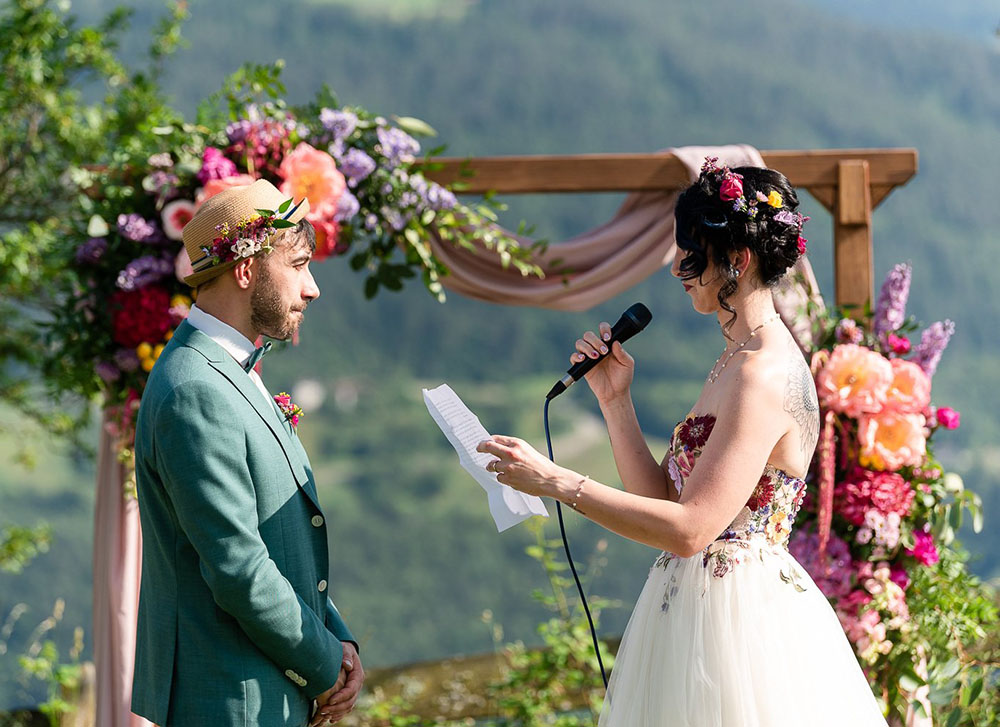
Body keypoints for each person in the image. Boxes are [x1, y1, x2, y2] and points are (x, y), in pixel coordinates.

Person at [477, 159, 889, 725]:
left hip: (741, 631)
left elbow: (693, 529)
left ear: (737, 261)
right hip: (690, 612)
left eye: (690, 252)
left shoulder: (761, 373)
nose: (677, 269)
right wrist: (616, 402)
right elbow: (662, 500)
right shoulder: (735, 359)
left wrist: (556, 480)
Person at [132, 179, 363, 727]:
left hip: (260, 689)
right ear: (246, 269)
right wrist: (326, 663)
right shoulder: (196, 389)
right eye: (300, 264)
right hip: (230, 699)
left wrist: (336, 635)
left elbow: (280, 544)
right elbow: (239, 567)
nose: (313, 289)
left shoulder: (231, 370)